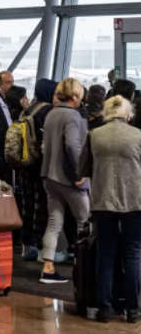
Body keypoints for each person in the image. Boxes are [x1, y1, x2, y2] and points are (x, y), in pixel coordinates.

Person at [79, 96, 141, 323]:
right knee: (133, 253)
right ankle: (133, 310)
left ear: (106, 112)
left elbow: (82, 168)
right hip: (134, 201)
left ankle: (104, 309)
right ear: (128, 113)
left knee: (105, 253)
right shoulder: (138, 136)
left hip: (102, 201)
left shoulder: (94, 135)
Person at [39, 78, 89, 284]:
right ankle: (83, 267)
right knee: (84, 222)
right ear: (75, 96)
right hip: (69, 178)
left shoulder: (51, 113)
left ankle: (47, 267)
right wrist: (80, 172)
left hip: (49, 175)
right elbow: (72, 145)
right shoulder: (72, 115)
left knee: (54, 221)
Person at [18, 79, 57, 262]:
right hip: (41, 164)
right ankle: (43, 250)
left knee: (27, 205)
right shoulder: (48, 111)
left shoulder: (28, 109)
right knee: (42, 207)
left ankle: (27, 246)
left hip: (26, 163)